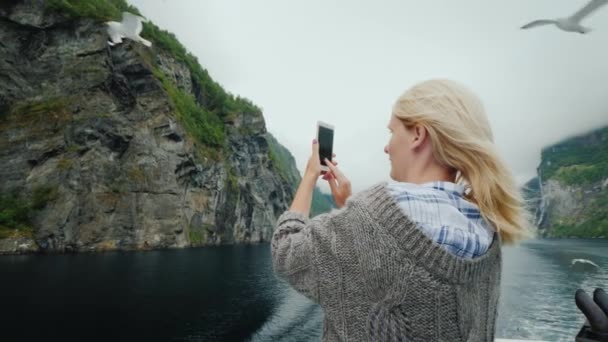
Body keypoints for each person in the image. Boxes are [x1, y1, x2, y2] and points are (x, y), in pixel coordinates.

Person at [270, 79, 534, 341]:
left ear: (418, 135)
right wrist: (351, 210)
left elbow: (286, 252)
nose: (387, 147)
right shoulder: (488, 227)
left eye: (392, 132)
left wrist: (309, 177)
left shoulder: (367, 216)